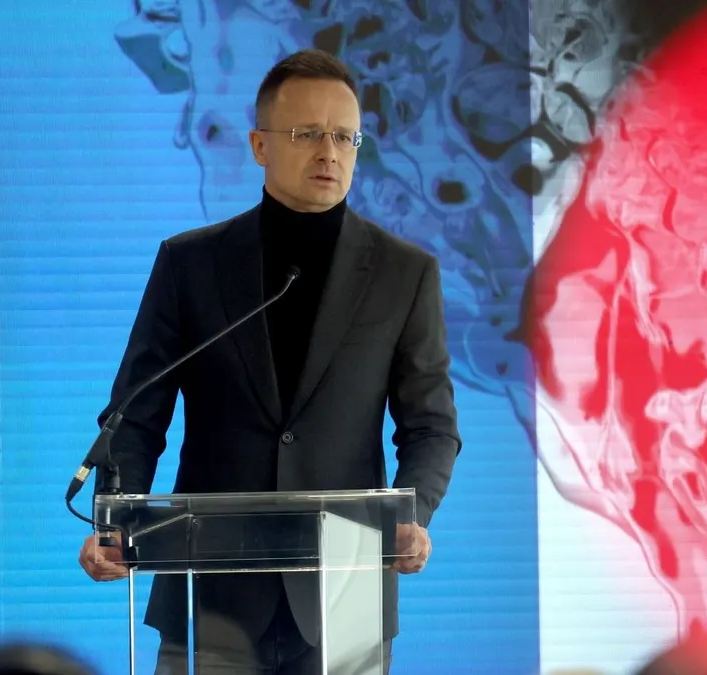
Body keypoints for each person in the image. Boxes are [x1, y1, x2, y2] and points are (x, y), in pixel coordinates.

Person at [75, 49, 462, 674]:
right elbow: (136, 413)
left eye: (344, 136)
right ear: (259, 145)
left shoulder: (404, 273)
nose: (329, 152)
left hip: (346, 595)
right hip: (211, 594)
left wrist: (411, 515)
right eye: (307, 134)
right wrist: (115, 518)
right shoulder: (191, 264)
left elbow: (432, 426)